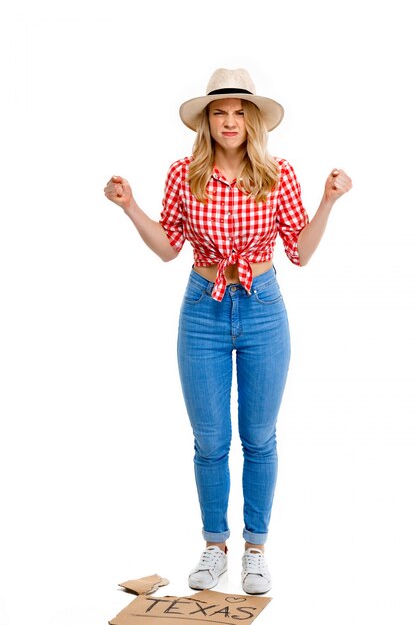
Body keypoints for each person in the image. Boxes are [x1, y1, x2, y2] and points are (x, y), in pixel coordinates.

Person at [103, 68, 352, 595]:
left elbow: (300, 253)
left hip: (263, 308)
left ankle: (255, 550)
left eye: (240, 112)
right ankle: (214, 546)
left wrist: (328, 202)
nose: (230, 120)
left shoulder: (277, 173)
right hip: (202, 309)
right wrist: (130, 208)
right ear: (207, 121)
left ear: (253, 119)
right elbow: (169, 247)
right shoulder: (184, 174)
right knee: (210, 440)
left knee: (259, 438)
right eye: (220, 111)